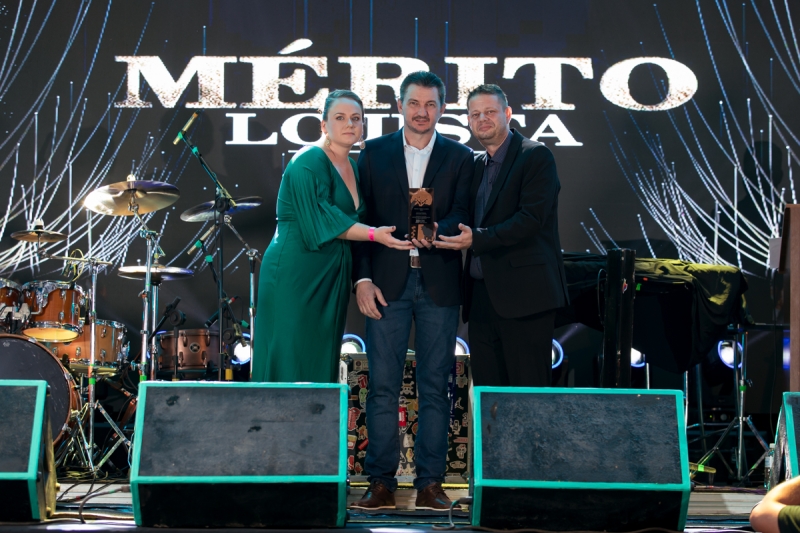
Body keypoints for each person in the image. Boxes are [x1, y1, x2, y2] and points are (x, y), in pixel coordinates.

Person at [350, 72, 473, 511]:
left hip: (439, 282)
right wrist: (362, 279)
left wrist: (441, 226)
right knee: (383, 387)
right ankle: (380, 483)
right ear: (400, 105)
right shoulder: (373, 152)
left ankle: (430, 484)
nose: (423, 112)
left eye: (431, 104)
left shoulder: (460, 156)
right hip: (387, 284)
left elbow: (465, 210)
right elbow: (361, 221)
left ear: (443, 108)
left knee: (436, 387)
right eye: (415, 103)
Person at [252, 90, 413, 384]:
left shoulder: (352, 165)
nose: (349, 124)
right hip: (297, 272)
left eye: (356, 118)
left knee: (319, 360)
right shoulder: (309, 159)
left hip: (332, 274)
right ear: (324, 125)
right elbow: (323, 220)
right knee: (290, 357)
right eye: (340, 118)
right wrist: (375, 234)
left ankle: (314, 416)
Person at [435, 84, 569, 387]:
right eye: (475, 114)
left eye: (490, 112)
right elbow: (461, 215)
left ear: (507, 113)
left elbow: (531, 219)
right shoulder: (474, 164)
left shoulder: (536, 156)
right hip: (481, 299)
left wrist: (477, 239)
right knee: (488, 393)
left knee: (526, 394)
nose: (482, 119)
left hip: (525, 297)